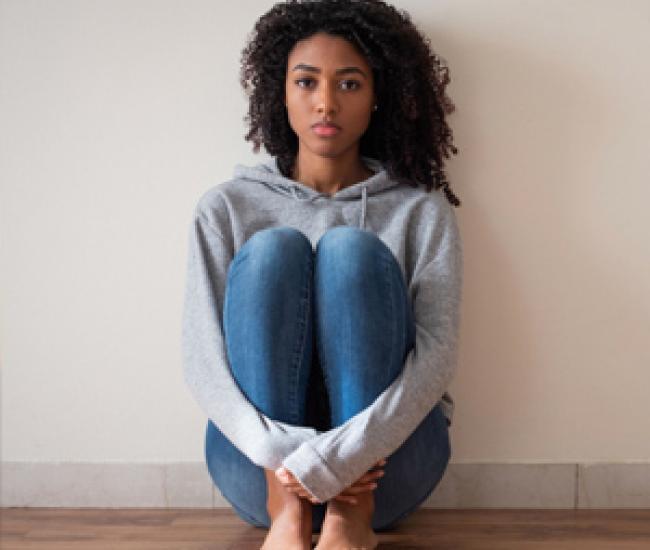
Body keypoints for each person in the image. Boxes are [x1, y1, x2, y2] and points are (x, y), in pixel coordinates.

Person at [181, 0, 463, 548]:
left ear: (379, 95)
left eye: (350, 84)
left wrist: (346, 459)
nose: (326, 102)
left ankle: (351, 515)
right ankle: (286, 513)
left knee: (350, 253)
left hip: (388, 468)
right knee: (271, 253)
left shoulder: (419, 209)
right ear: (279, 91)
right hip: (260, 468)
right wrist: (285, 457)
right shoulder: (226, 208)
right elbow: (201, 355)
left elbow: (438, 357)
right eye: (306, 82)